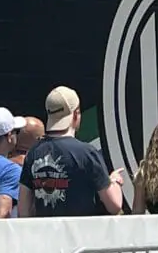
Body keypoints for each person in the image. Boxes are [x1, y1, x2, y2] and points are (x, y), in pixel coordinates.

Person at [17, 86, 121, 217]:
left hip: (45, 235)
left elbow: (23, 211)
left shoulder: (33, 153)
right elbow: (114, 206)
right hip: (80, 235)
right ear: (76, 114)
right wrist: (114, 181)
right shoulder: (87, 153)